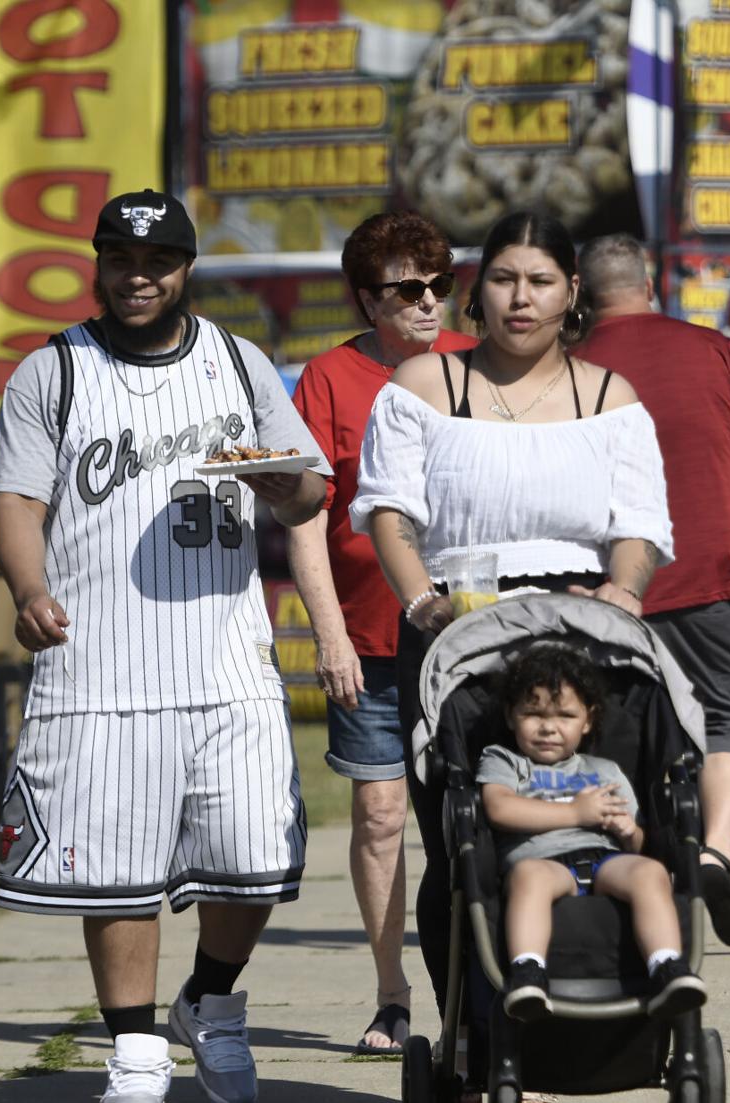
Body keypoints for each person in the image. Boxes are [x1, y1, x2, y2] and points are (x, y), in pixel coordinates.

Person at [0, 189, 329, 1103]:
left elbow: (306, 494)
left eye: (158, 262)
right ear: (99, 263)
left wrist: (279, 479)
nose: (139, 277)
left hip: (227, 653)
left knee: (255, 856)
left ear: (186, 269)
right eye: (122, 260)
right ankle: (135, 1048)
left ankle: (208, 1001)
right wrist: (29, 590)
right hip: (101, 658)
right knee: (114, 866)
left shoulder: (237, 361)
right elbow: (16, 498)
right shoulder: (51, 371)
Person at [348, 210, 673, 1018]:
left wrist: (623, 591)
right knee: (459, 843)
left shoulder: (611, 396)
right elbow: (389, 514)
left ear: (571, 294)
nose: (519, 300)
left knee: (601, 827)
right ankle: (470, 1023)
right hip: (451, 629)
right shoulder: (426, 385)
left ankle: (604, 991)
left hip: (576, 637)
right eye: (502, 279)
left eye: (539, 282)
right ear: (477, 290)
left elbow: (639, 525)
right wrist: (421, 600)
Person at [576, 233, 730, 947]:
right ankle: (718, 849)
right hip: (711, 569)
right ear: (649, 284)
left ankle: (620, 878)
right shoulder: (714, 348)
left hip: (608, 581)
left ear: (580, 294)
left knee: (618, 727)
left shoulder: (567, 363)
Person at [287, 211, 476, 1054]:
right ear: (369, 299)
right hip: (368, 634)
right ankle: (392, 993)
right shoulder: (329, 378)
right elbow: (305, 518)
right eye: (409, 289)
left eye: (441, 284)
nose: (430, 302)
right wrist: (327, 631)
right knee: (380, 813)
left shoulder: (480, 366)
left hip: (470, 633)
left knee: (476, 812)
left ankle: (482, 993)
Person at [479, 645, 707, 1021]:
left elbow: (639, 844)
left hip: (605, 860)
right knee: (528, 877)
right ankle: (528, 971)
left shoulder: (605, 770)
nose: (548, 726)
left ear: (587, 721)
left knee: (649, 872)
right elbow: (499, 807)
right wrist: (574, 812)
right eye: (533, 713)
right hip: (543, 862)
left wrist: (628, 831)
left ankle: (666, 965)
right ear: (510, 715)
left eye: (565, 715)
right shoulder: (505, 761)